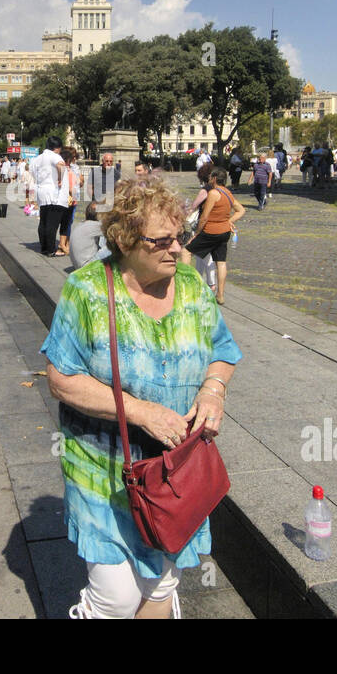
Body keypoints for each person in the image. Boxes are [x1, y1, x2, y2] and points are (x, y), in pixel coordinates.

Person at [43, 178, 241, 619]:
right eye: (162, 240)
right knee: (115, 598)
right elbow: (61, 378)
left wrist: (213, 391)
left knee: (160, 586)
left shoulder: (190, 285)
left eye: (180, 236)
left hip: (176, 472)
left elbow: (223, 351)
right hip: (103, 470)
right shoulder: (89, 290)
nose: (177, 248)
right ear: (125, 241)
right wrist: (140, 412)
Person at [186, 167, 245, 304]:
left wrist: (197, 234)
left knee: (186, 251)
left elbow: (204, 217)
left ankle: (186, 285)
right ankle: (220, 295)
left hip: (211, 231)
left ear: (213, 178)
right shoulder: (228, 193)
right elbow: (241, 210)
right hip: (224, 232)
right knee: (221, 262)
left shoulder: (213, 193)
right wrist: (228, 221)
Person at [34, 136, 68, 257]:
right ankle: (50, 249)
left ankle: (44, 247)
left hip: (42, 192)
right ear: (57, 148)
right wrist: (60, 179)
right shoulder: (54, 156)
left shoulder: (38, 158)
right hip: (54, 194)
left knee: (43, 221)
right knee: (52, 223)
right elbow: (61, 166)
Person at [69, 201, 108, 269]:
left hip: (78, 265)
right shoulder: (96, 226)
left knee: (105, 238)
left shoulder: (82, 224)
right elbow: (114, 230)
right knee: (112, 247)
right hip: (87, 267)